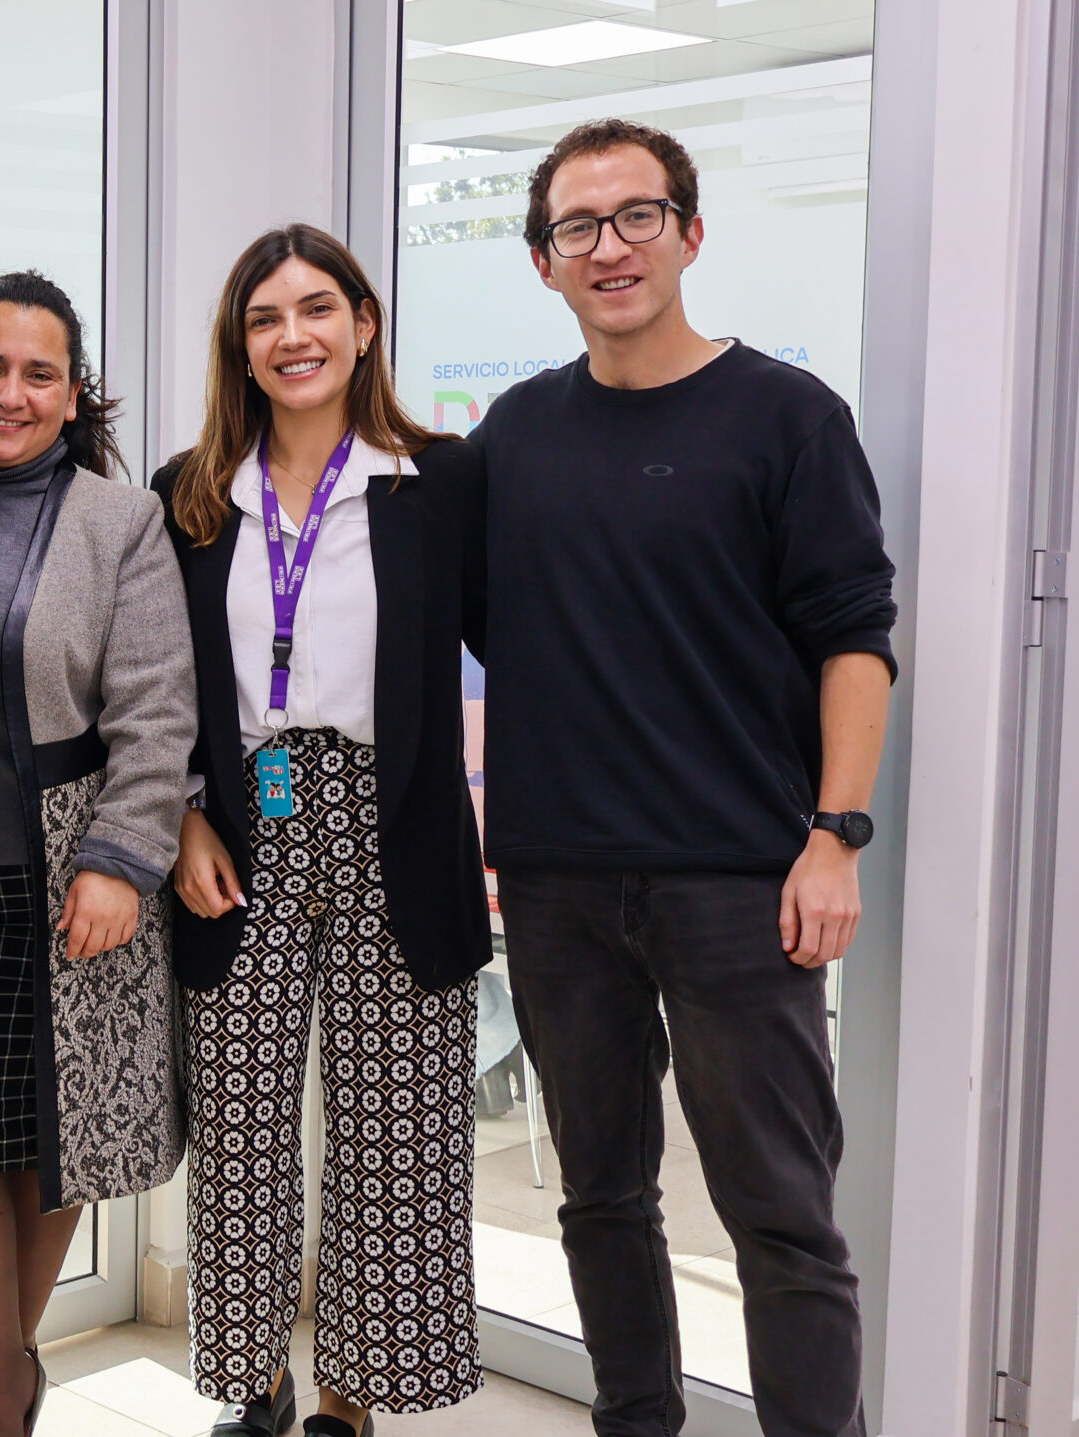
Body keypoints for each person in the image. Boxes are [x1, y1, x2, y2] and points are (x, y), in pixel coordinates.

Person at [472, 119, 895, 1437]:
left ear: (690, 233)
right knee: (600, 1194)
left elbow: (855, 642)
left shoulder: (786, 417)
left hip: (738, 883)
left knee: (779, 1216)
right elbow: (489, 628)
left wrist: (835, 833)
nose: (610, 247)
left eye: (637, 216)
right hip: (557, 884)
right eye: (577, 228)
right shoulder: (516, 433)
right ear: (544, 262)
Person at [156, 224, 493, 1437]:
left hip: (394, 823)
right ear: (238, 349)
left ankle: (353, 1396)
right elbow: (157, 685)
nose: (290, 336)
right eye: (263, 318)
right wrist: (187, 813)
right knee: (240, 1128)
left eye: (314, 310)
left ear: (362, 324)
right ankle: (256, 1386)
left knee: (394, 1131)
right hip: (242, 822)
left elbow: (525, 642)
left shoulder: (440, 482)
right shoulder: (188, 494)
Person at [0, 270, 194, 1437]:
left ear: (74, 397)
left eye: (38, 373)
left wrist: (120, 858)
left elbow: (158, 709)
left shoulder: (119, 522)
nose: (8, 393)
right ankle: (6, 1381)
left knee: (55, 1142)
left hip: (78, 890)